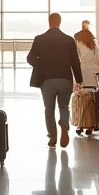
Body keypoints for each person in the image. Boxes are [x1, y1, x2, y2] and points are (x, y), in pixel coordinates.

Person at [27, 13, 84, 149]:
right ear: (59, 22)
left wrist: (41, 64)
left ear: (49, 22)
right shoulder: (69, 40)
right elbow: (75, 62)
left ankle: (52, 137)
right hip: (65, 79)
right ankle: (64, 122)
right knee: (64, 106)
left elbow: (30, 58)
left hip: (47, 80)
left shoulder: (39, 39)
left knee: (49, 109)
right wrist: (80, 80)